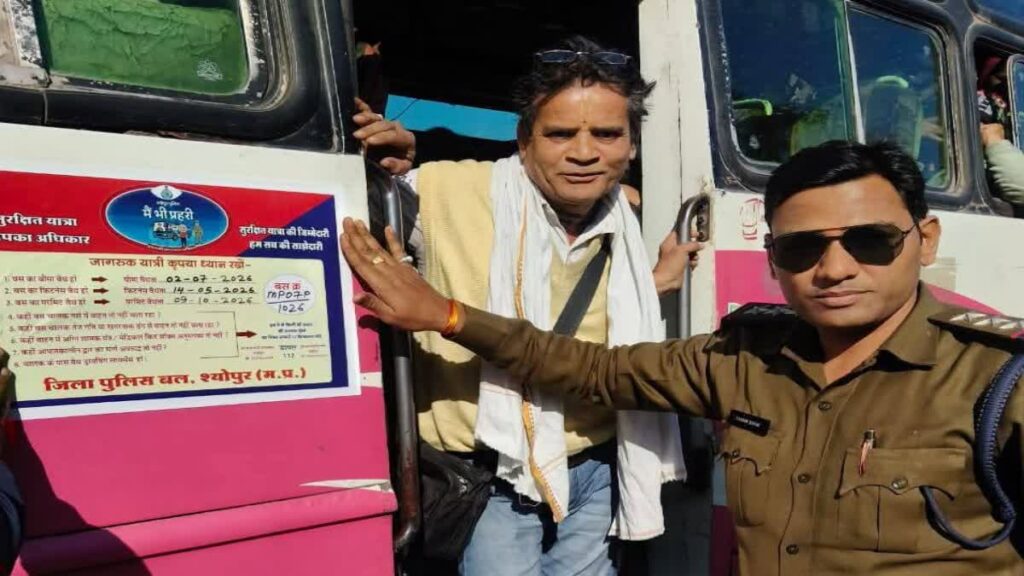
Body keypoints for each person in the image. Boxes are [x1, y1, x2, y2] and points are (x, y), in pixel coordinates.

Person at [341, 140, 1024, 575]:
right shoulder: (744, 358)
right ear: (774, 260)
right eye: (802, 248)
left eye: (870, 241)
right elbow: (595, 369)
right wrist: (447, 316)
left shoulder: (997, 379)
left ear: (925, 240)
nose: (835, 268)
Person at [352, 36, 700, 575]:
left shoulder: (625, 220)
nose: (584, 152)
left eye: (607, 134)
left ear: (632, 146)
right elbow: (347, 209)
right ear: (523, 140)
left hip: (599, 464)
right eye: (560, 134)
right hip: (491, 476)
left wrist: (654, 283)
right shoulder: (446, 191)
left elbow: (589, 323)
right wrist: (364, 162)